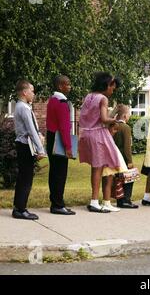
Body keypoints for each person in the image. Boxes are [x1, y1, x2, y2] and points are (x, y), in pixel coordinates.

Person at [78, 72, 122, 213]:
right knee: (104, 165)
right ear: (106, 85)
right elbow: (103, 119)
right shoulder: (103, 98)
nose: (112, 90)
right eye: (112, 88)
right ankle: (95, 201)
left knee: (96, 168)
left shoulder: (88, 96)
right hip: (98, 134)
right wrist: (115, 120)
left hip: (86, 134)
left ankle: (99, 201)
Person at [12, 80, 46, 220]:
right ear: (25, 92)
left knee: (23, 177)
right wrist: (40, 149)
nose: (34, 93)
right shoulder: (24, 108)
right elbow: (31, 130)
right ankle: (21, 209)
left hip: (23, 144)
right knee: (26, 179)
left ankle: (18, 207)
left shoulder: (21, 106)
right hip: (26, 145)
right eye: (32, 91)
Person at [46, 75, 76, 215]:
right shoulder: (62, 103)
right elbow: (64, 128)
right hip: (59, 140)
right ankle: (58, 205)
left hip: (51, 137)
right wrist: (68, 147)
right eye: (67, 84)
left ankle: (55, 202)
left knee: (54, 172)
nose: (70, 86)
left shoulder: (52, 100)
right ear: (60, 86)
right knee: (60, 173)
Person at [112, 104, 139, 208]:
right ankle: (126, 200)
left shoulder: (114, 126)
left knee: (119, 180)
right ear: (124, 116)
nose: (129, 117)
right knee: (129, 179)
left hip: (115, 157)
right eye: (129, 114)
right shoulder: (126, 127)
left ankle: (120, 200)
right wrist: (130, 161)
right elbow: (127, 146)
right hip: (123, 158)